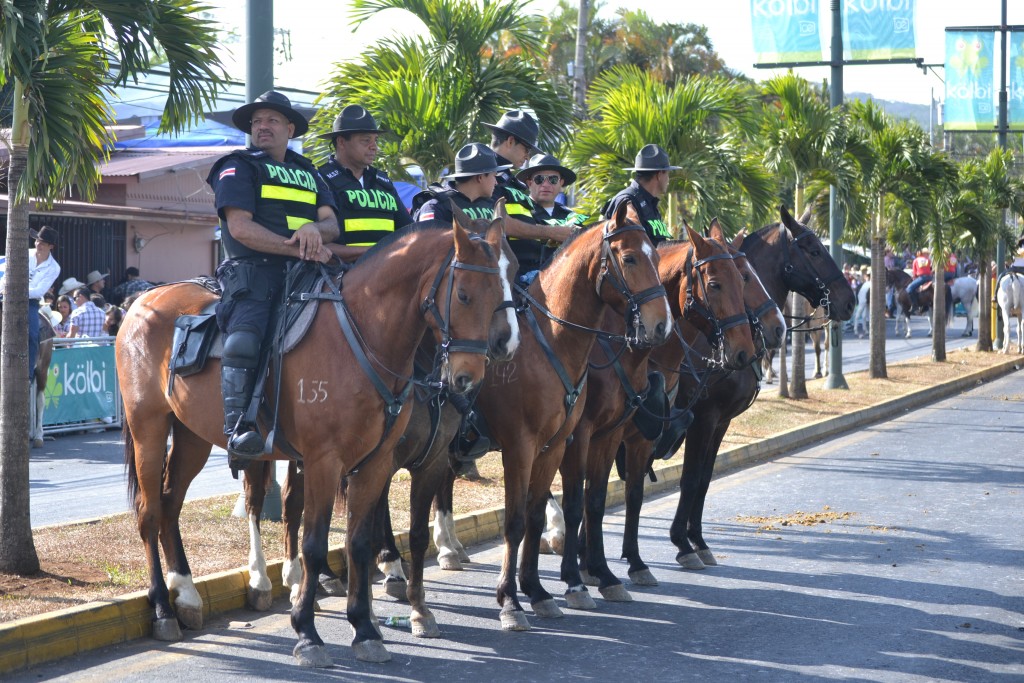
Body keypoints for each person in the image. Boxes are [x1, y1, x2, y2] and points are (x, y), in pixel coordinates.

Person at [206, 90, 338, 462]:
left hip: (309, 272)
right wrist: (299, 247)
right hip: (254, 273)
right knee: (245, 338)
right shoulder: (237, 165)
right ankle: (239, 426)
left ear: (290, 129)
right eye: (257, 121)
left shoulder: (309, 171)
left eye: (272, 120)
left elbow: (332, 225)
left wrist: (313, 228)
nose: (262, 127)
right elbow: (241, 228)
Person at [316, 105, 412, 263]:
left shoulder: (383, 182)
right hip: (340, 274)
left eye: (375, 140)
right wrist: (377, 252)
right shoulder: (321, 180)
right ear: (341, 142)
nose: (374, 147)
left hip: (389, 273)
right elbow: (318, 246)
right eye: (366, 140)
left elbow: (409, 232)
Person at [483, 110, 573, 276]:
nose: (527, 156)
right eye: (526, 148)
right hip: (500, 274)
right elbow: (498, 222)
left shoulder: (508, 178)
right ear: (510, 141)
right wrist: (552, 232)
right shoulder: (487, 174)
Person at [0, 226, 62, 378]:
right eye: (37, 241)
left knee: (33, 335)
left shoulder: (54, 268)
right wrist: (6, 289)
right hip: (6, 296)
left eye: (43, 243)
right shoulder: (23, 254)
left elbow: (39, 291)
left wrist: (17, 292)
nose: (38, 244)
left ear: (51, 246)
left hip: (30, 302)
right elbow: (6, 275)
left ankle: (27, 375)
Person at [412, 142, 510, 224]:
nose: (496, 182)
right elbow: (428, 240)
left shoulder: (491, 205)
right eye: (494, 176)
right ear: (480, 177)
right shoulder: (436, 207)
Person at [601, 144, 680, 244]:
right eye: (667, 174)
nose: (668, 179)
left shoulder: (650, 203)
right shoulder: (627, 201)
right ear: (659, 174)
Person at [519, 153, 588, 228]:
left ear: (561, 183)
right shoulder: (518, 212)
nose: (546, 184)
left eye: (553, 179)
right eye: (539, 179)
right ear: (529, 183)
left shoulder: (570, 217)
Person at [906, 247, 933, 312]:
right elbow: (931, 269)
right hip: (929, 277)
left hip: (922, 278)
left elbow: (914, 273)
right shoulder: (929, 260)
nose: (928, 255)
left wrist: (914, 277)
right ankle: (925, 305)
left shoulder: (916, 260)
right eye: (927, 254)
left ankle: (914, 305)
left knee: (909, 289)